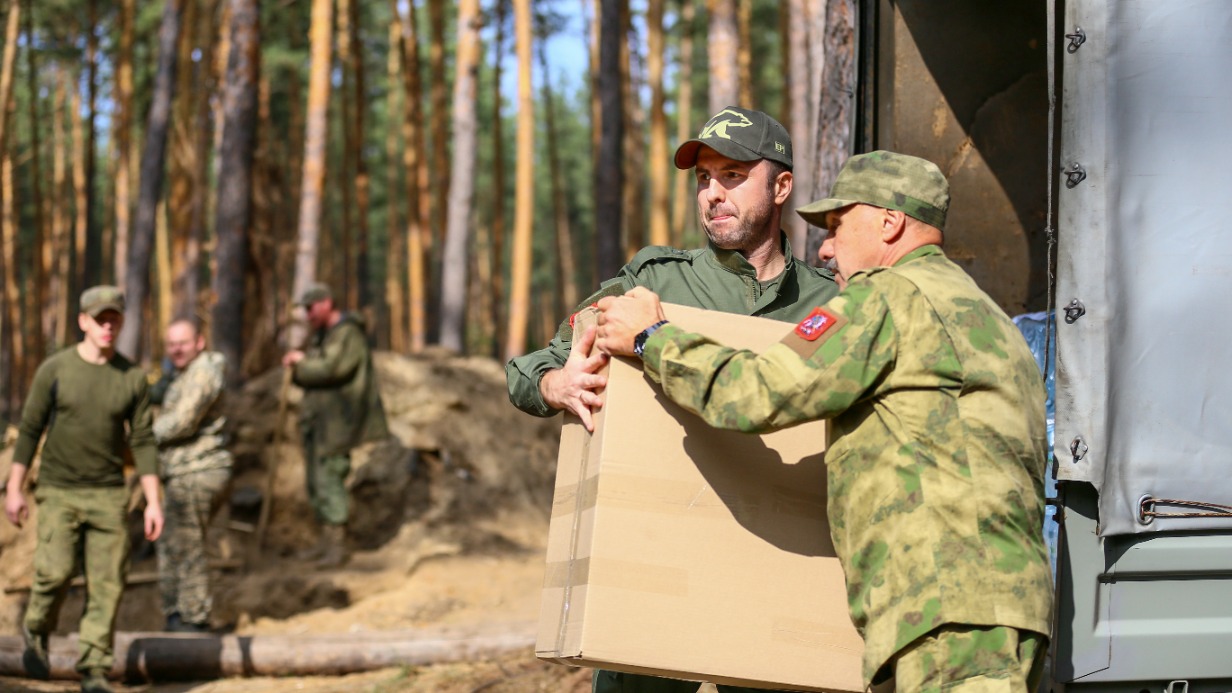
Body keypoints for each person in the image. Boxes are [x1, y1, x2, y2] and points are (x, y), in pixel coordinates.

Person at [592, 151, 1054, 693]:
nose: (826, 248)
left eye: (837, 226)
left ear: (890, 222)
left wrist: (652, 338)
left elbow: (759, 392)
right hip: (1006, 604)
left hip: (945, 610)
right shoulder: (988, 318)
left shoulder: (887, 296)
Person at [506, 106, 839, 693]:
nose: (713, 194)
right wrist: (558, 384)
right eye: (703, 179)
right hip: (654, 575)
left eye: (732, 176)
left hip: (781, 582)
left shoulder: (827, 303)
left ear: (781, 186)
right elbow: (531, 369)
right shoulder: (655, 281)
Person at [4, 285, 164, 693]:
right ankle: (37, 629)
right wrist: (15, 488)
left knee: (108, 583)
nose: (108, 326)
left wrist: (153, 501)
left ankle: (94, 669)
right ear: (83, 322)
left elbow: (143, 440)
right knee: (55, 571)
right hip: (59, 490)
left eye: (114, 319)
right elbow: (30, 430)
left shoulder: (132, 378)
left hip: (108, 494)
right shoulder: (55, 370)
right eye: (100, 319)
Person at [282, 282, 388, 568]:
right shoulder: (324, 336)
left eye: (311, 307)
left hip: (338, 424)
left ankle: (336, 547)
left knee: (330, 480)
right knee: (316, 481)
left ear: (327, 303)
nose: (308, 314)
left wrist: (302, 363)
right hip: (320, 422)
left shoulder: (348, 334)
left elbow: (331, 369)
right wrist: (300, 367)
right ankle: (324, 543)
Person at [153, 316, 232, 633]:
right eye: (171, 344)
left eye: (183, 343)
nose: (177, 349)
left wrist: (138, 438)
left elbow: (183, 421)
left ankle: (193, 620)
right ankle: (176, 616)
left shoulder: (203, 372)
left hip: (199, 468)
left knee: (187, 544)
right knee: (172, 543)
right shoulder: (180, 373)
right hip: (181, 470)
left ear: (199, 342)